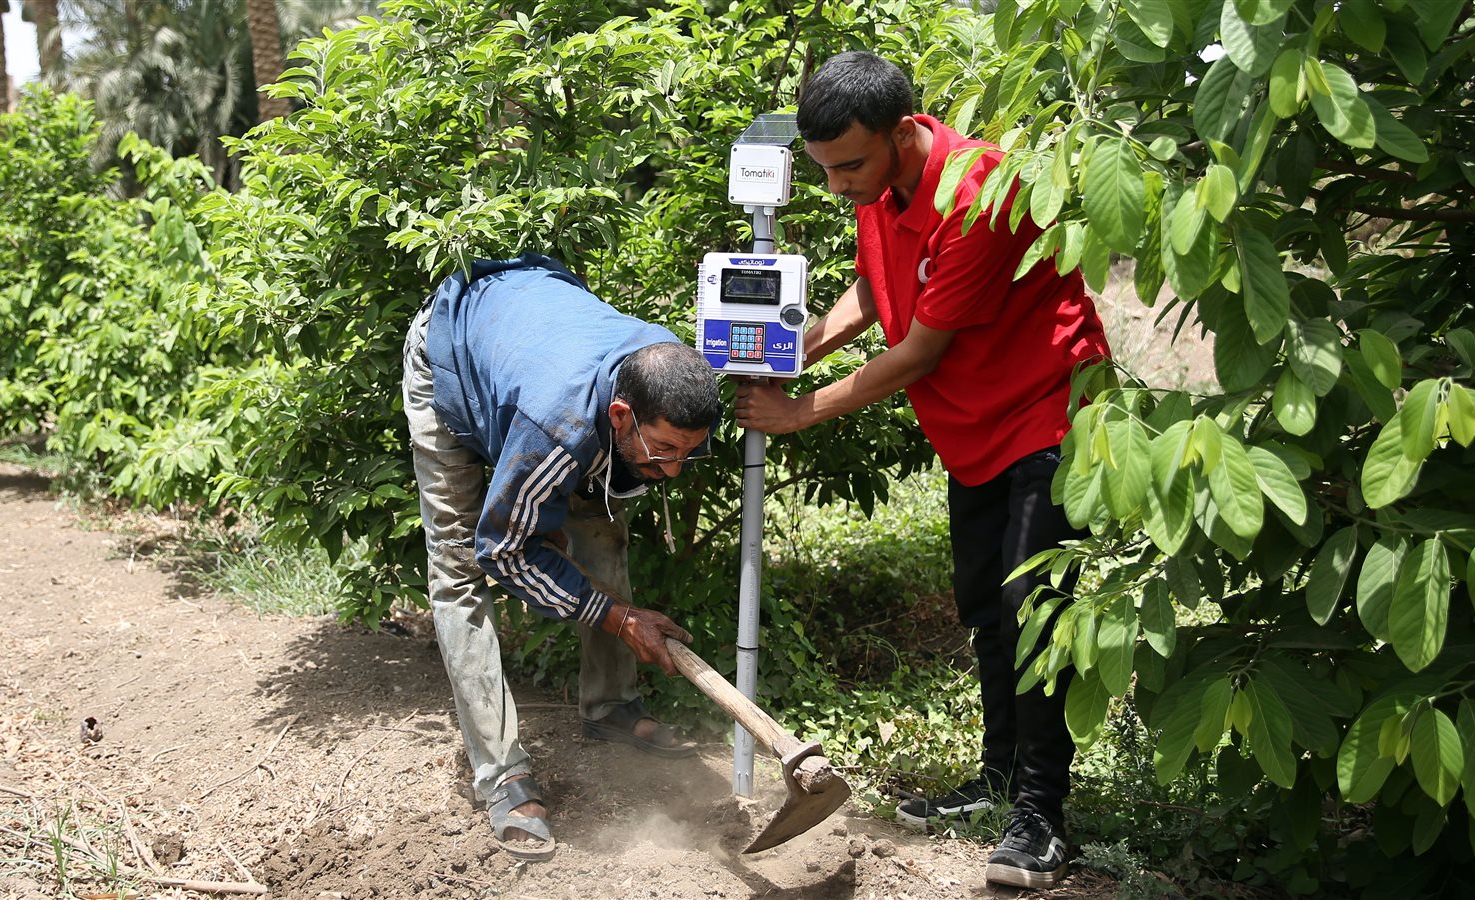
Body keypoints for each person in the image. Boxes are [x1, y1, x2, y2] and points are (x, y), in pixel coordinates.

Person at [733, 52, 1110, 889]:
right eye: (826, 170)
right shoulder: (878, 184)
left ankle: (1043, 817)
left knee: (1031, 606)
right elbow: (874, 289)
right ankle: (999, 777)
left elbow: (919, 350)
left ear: (903, 132)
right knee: (985, 603)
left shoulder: (977, 192)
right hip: (972, 426)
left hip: (1047, 410)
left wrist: (802, 409)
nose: (836, 188)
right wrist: (794, 348)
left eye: (850, 167)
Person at [402, 253, 721, 860]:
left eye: (687, 453)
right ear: (621, 415)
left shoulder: (664, 375)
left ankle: (610, 707)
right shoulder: (558, 426)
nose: (672, 470)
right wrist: (622, 617)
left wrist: (563, 534)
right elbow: (501, 551)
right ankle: (501, 775)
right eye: (663, 452)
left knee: (601, 531)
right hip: (451, 356)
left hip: (531, 345)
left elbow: (606, 467)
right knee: (460, 571)